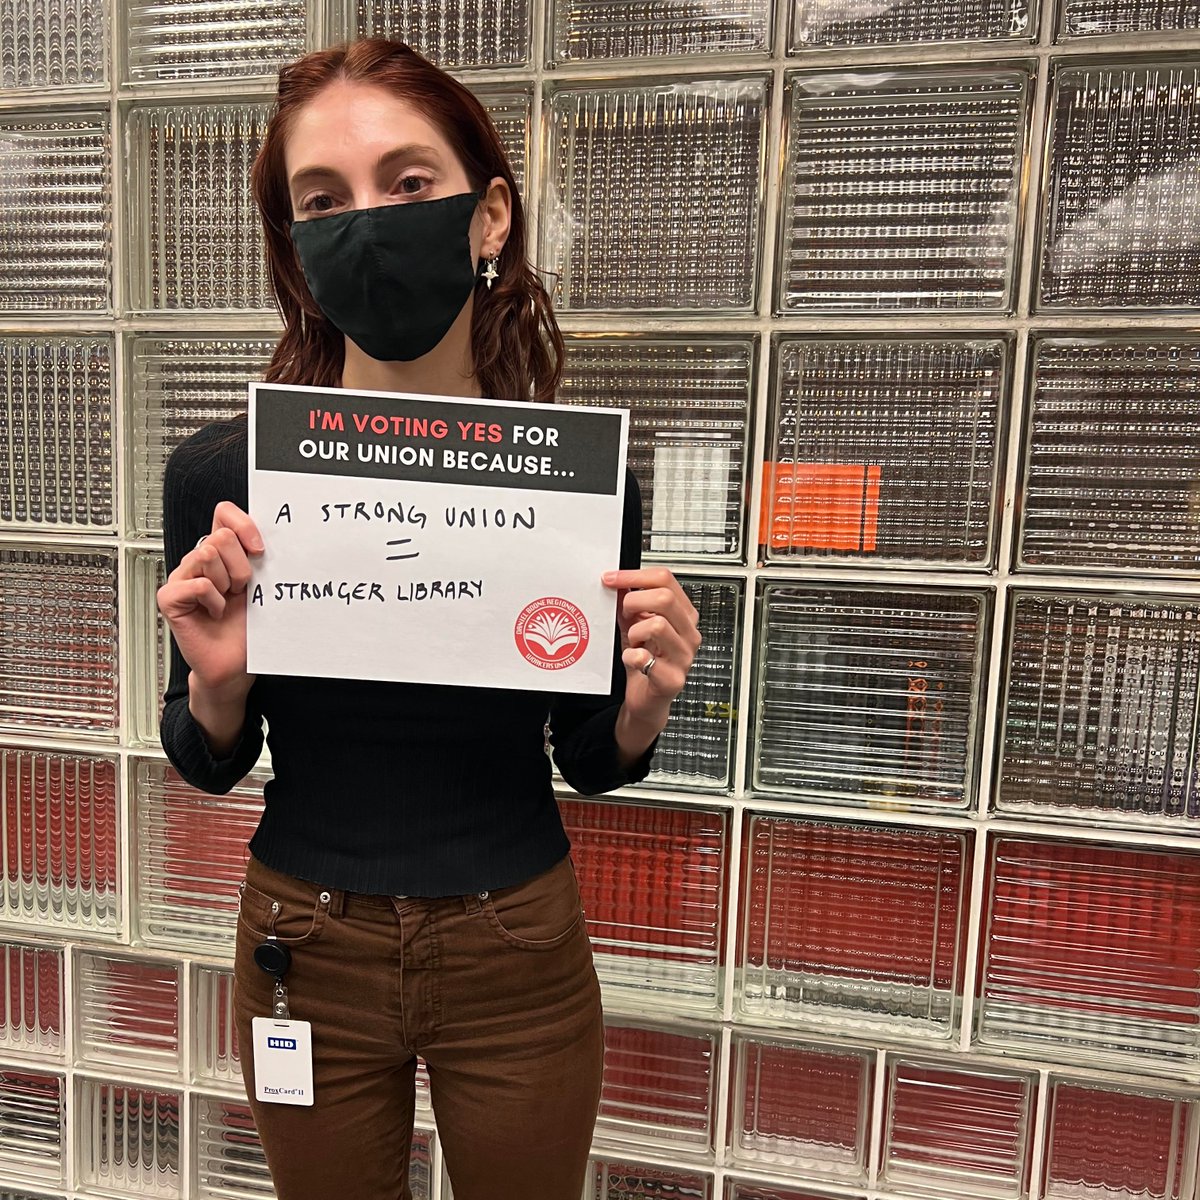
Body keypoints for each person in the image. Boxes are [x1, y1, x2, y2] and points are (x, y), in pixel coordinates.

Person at [156, 37, 701, 1200]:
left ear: (488, 216)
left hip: (518, 947)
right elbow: (207, 761)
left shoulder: (575, 485)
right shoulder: (226, 477)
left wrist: (643, 707)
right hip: (304, 944)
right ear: (297, 244)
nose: (367, 224)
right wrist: (218, 686)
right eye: (322, 200)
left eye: (407, 184)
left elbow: (585, 755)